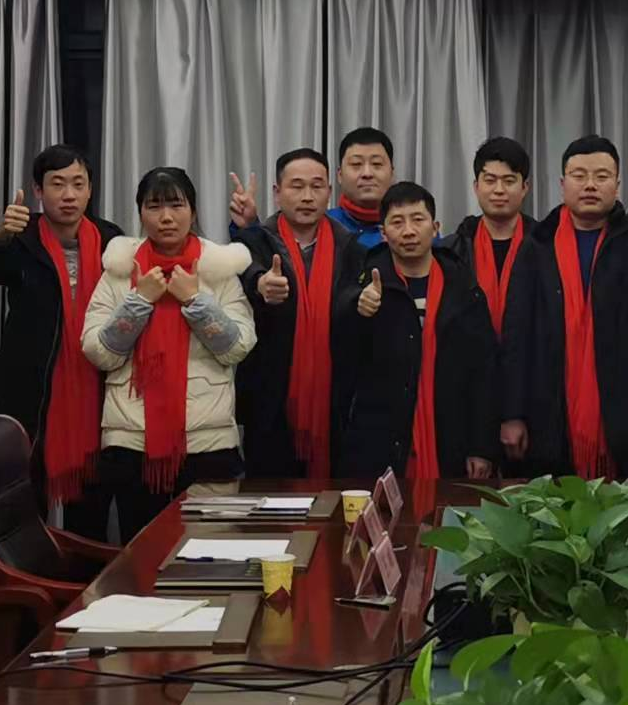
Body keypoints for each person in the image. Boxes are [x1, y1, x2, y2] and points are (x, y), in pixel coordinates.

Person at [82, 167, 257, 543]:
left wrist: (195, 300)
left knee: (210, 558)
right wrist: (139, 301)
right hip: (133, 444)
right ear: (140, 213)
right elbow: (99, 353)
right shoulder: (118, 273)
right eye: (154, 206)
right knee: (143, 559)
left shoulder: (219, 271)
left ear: (193, 211)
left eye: (176, 205)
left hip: (208, 443)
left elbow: (237, 347)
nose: (166, 217)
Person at [0, 144, 123, 535]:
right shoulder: (22, 235)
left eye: (78, 183)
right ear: (39, 191)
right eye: (58, 184)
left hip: (95, 390)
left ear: (90, 190)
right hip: (31, 391)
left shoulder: (111, 239)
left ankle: (83, 576)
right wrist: (0, 236)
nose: (69, 194)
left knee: (90, 518)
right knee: (22, 513)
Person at [527, 135, 628, 480]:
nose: (591, 185)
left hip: (627, 419)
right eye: (579, 176)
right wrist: (513, 416)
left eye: (602, 176)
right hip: (552, 413)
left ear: (617, 185)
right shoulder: (538, 245)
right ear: (563, 184)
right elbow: (518, 333)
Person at [336, 182, 499, 481]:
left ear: (435, 228)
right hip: (379, 443)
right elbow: (343, 360)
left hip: (450, 436)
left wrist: (481, 447)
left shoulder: (463, 288)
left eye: (418, 220)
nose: (408, 231)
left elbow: (484, 371)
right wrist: (357, 309)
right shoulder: (365, 283)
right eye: (397, 222)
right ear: (383, 233)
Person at [232, 148, 367, 479]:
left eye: (317, 186)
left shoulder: (353, 250)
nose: (308, 196)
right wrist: (260, 285)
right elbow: (245, 274)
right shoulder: (255, 244)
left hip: (335, 404)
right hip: (270, 403)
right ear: (277, 193)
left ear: (329, 192)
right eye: (296, 186)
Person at [447, 137, 544, 469]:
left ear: (525, 187)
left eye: (509, 180)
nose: (499, 190)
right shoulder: (453, 251)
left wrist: (517, 413)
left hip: (536, 405)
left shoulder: (547, 247)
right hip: (468, 408)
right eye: (490, 180)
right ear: (476, 186)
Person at [328, 127, 395, 248]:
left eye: (376, 164)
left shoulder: (411, 230)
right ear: (340, 175)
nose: (367, 173)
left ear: (392, 173)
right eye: (356, 164)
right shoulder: (322, 226)